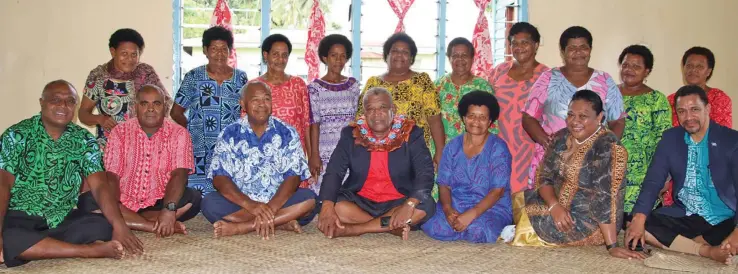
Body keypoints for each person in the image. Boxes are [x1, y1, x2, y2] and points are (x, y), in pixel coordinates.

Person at [0, 80, 143, 267]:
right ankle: (87, 251)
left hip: (61, 217)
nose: (63, 106)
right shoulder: (16, 135)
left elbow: (99, 186)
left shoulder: (84, 140)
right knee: (11, 235)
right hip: (19, 215)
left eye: (70, 101)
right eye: (55, 100)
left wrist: (120, 225)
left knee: (105, 224)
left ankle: (39, 247)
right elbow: (2, 185)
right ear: (41, 102)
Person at [519, 90, 644, 260]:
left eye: (583, 116)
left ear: (599, 117)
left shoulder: (607, 147)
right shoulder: (561, 136)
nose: (574, 121)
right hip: (558, 202)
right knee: (517, 200)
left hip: (591, 220)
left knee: (529, 226)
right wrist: (554, 206)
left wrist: (612, 246)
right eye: (570, 115)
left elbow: (605, 198)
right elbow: (544, 176)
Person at [625, 85, 738, 265]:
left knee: (731, 231)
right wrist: (639, 218)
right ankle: (706, 250)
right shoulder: (671, 138)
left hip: (724, 216)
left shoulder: (731, 140)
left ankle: (688, 243)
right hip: (687, 213)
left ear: (708, 109)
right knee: (637, 223)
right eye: (682, 111)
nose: (688, 117)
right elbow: (654, 181)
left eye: (694, 110)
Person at [200, 82, 317, 239]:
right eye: (255, 100)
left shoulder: (287, 132)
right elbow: (220, 178)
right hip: (243, 203)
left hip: (279, 202)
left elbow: (293, 176)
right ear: (243, 104)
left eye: (266, 99)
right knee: (209, 203)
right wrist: (251, 205)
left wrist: (272, 207)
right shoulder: (229, 133)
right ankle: (281, 222)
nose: (262, 104)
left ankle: (243, 227)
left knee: (310, 199)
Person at [317, 87, 436, 240]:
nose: (376, 114)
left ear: (393, 109)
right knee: (333, 205)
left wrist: (409, 204)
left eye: (382, 108)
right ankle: (389, 227)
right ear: (364, 113)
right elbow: (334, 171)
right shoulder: (351, 134)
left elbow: (425, 172)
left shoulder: (411, 134)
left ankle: (357, 229)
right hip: (361, 202)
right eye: (370, 109)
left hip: (398, 201)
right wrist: (327, 206)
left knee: (425, 205)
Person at [522, 26, 625, 191]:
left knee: (586, 211)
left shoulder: (605, 80)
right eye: (572, 48)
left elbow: (617, 120)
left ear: (590, 50)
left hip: (593, 161)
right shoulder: (549, 77)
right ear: (563, 52)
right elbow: (528, 117)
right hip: (551, 161)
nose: (578, 52)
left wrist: (605, 147)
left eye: (583, 47)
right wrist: (547, 142)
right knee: (547, 211)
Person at [99, 85, 202, 237]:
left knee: (193, 198)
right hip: (123, 198)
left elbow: (179, 174)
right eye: (144, 103)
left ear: (165, 108)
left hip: (159, 200)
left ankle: (126, 219)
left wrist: (168, 209)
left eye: (157, 103)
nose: (151, 109)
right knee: (89, 199)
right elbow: (112, 175)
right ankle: (150, 225)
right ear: (135, 108)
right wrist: (115, 205)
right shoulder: (119, 132)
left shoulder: (179, 133)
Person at [422, 91, 513, 243]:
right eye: (471, 116)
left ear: (490, 121)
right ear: (464, 118)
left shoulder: (498, 148)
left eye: (482, 117)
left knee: (477, 230)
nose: (476, 121)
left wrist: (471, 214)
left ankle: (470, 227)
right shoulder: (452, 147)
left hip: (490, 207)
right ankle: (458, 224)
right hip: (457, 203)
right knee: (429, 223)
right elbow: (444, 185)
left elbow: (497, 192)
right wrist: (448, 210)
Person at [171, 26, 248, 195]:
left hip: (231, 144)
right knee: (197, 193)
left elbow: (247, 112)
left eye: (224, 49)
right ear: (206, 50)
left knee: (230, 190)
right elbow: (175, 112)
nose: (219, 54)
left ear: (230, 51)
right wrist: (190, 132)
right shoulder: (193, 76)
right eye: (214, 49)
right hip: (200, 146)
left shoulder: (240, 78)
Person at [357, 33, 445, 167]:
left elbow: (435, 120)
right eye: (395, 51)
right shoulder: (373, 83)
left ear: (411, 58)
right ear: (386, 56)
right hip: (378, 155)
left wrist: (440, 151)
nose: (399, 55)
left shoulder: (422, 81)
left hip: (415, 154)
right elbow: (361, 119)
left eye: (405, 52)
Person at [663, 46, 732, 206]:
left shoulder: (719, 98)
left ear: (709, 71)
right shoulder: (671, 100)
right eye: (689, 65)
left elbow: (719, 138)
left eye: (699, 66)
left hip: (709, 168)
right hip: (677, 167)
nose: (693, 70)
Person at [79, 28, 166, 149]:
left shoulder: (146, 73)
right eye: (124, 54)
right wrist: (100, 119)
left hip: (145, 147)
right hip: (110, 148)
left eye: (134, 54)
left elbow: (163, 106)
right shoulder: (98, 76)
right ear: (113, 52)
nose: (129, 59)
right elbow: (83, 114)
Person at [489, 22, 549, 193]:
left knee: (524, 201)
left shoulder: (547, 76)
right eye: (514, 43)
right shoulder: (498, 72)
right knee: (497, 196)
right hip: (499, 147)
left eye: (525, 43)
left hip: (531, 149)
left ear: (536, 45)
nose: (519, 47)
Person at [617, 45, 672, 221]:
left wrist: (664, 176)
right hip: (612, 167)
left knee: (639, 220)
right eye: (625, 65)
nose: (629, 70)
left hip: (645, 171)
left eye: (636, 66)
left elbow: (664, 140)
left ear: (647, 71)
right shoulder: (609, 94)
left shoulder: (657, 99)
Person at [251, 34, 313, 187]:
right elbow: (247, 126)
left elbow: (307, 123)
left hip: (294, 157)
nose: (280, 59)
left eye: (285, 55)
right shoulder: (254, 86)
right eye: (275, 54)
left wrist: (311, 157)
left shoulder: (298, 84)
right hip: (264, 156)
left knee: (297, 200)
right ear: (266, 55)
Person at [307, 34, 360, 195]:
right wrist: (314, 154)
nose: (338, 60)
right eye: (334, 55)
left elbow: (358, 119)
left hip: (348, 146)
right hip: (325, 148)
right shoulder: (315, 88)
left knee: (347, 191)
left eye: (343, 56)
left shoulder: (353, 85)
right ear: (325, 57)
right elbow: (314, 123)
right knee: (324, 190)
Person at [436, 37, 495, 141]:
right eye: (455, 56)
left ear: (472, 58)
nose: (460, 59)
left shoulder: (483, 87)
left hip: (473, 150)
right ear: (449, 58)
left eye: (464, 55)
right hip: (441, 151)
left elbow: (492, 123)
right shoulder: (437, 86)